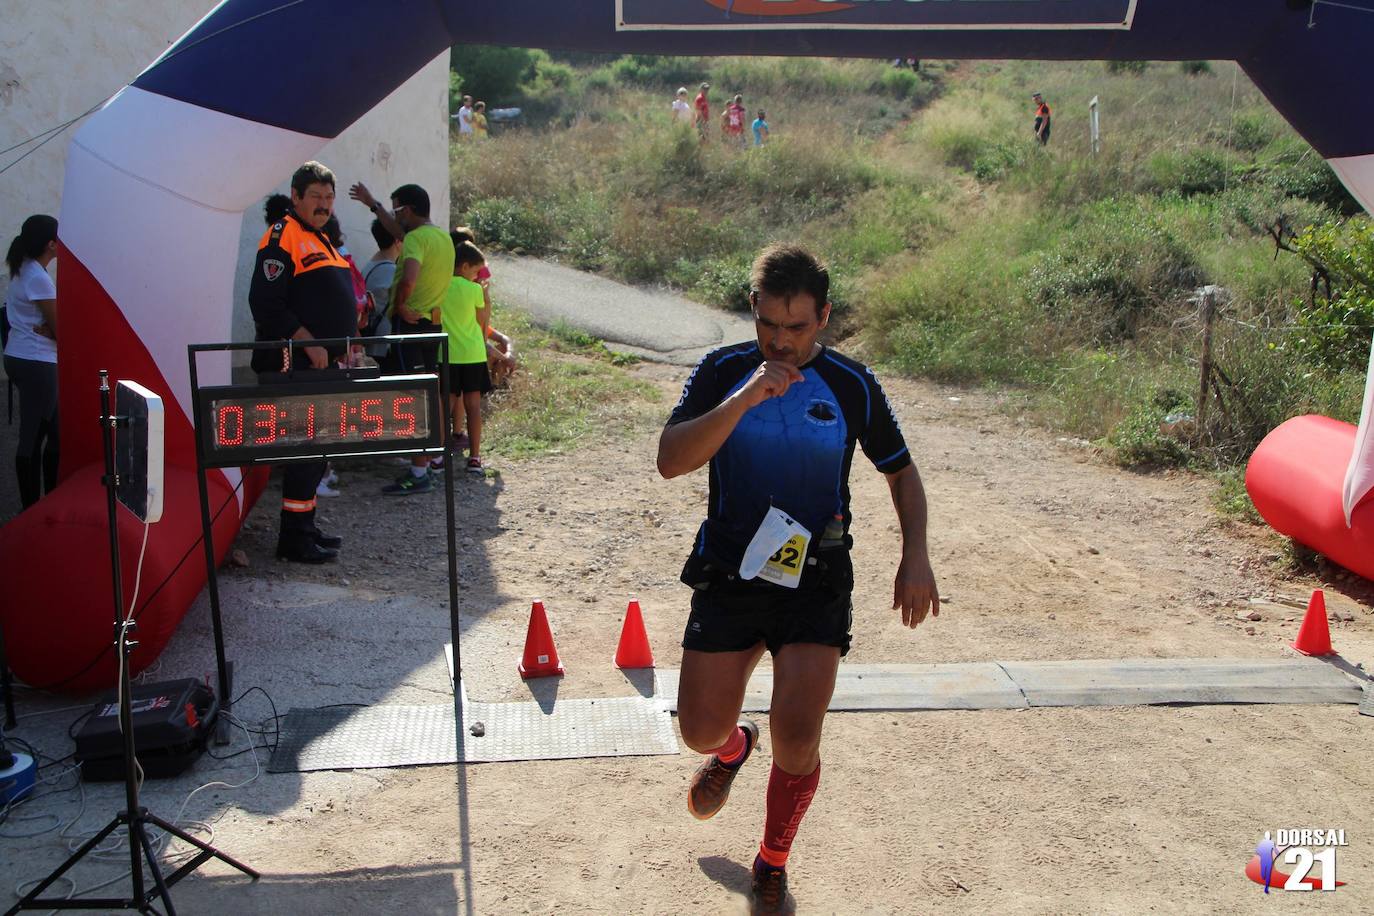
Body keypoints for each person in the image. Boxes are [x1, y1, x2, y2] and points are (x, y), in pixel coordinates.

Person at [657, 244, 939, 914]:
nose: (782, 341)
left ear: (825, 319)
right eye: (770, 326)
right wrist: (746, 396)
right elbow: (671, 461)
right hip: (731, 572)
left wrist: (916, 554)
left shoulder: (851, 384)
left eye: (799, 328)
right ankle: (731, 748)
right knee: (697, 730)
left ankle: (772, 862)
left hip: (815, 580)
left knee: (800, 734)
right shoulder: (722, 370)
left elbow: (901, 472)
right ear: (753, 309)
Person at [248, 161, 357, 562]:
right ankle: (293, 540)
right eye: (316, 197)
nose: (324, 205)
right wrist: (307, 341)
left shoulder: (321, 237)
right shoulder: (282, 235)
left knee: (318, 452)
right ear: (295, 197)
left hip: (324, 365)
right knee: (305, 452)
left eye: (329, 198)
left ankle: (305, 528)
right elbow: (265, 302)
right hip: (292, 363)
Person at [350, 181, 454, 494]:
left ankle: (418, 472)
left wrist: (399, 305)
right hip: (432, 326)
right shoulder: (441, 238)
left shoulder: (414, 241)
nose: (396, 217)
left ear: (407, 210)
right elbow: (396, 229)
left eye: (397, 209)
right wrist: (374, 204)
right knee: (430, 393)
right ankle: (432, 457)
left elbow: (408, 278)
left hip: (408, 327)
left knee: (412, 397)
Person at [4, 215, 60, 509]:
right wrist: (55, 330)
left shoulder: (22, 266)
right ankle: (32, 509)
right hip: (36, 361)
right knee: (32, 438)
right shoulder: (38, 276)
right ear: (51, 243)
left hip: (21, 355)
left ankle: (49, 500)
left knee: (57, 433)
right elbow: (63, 329)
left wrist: (53, 329)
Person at [440, 236, 494, 475]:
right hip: (473, 353)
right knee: (473, 406)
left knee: (445, 406)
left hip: (448, 353)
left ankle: (439, 457)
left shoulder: (440, 286)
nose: (477, 276)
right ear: (464, 267)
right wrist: (484, 294)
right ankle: (474, 457)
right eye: (475, 271)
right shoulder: (475, 290)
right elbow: (482, 320)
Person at [360, 218, 400, 361]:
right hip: (385, 343)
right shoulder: (392, 271)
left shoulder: (368, 266)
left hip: (371, 339)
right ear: (397, 240)